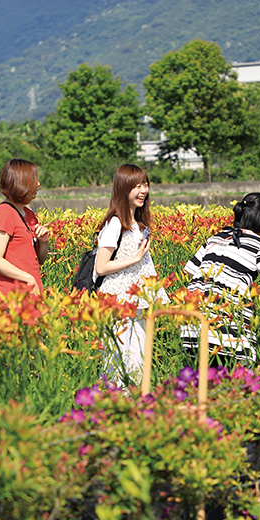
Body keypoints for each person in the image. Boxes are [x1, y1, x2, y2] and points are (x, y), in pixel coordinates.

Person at [182, 192, 260, 365]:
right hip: (225, 326)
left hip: (190, 323)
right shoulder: (259, 244)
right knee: (240, 376)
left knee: (203, 379)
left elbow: (190, 270)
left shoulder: (216, 237)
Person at [94, 164, 165, 385]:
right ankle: (113, 404)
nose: (143, 190)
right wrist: (134, 259)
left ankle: (136, 403)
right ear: (123, 190)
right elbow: (101, 267)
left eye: (145, 184)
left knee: (139, 355)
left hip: (139, 300)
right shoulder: (115, 224)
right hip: (118, 300)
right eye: (136, 186)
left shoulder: (141, 225)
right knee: (117, 356)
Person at [0, 158, 50, 298]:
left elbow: (39, 260)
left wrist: (43, 242)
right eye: (33, 180)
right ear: (20, 182)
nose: (38, 184)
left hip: (31, 294)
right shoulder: (4, 213)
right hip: (10, 297)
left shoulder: (30, 215)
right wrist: (27, 278)